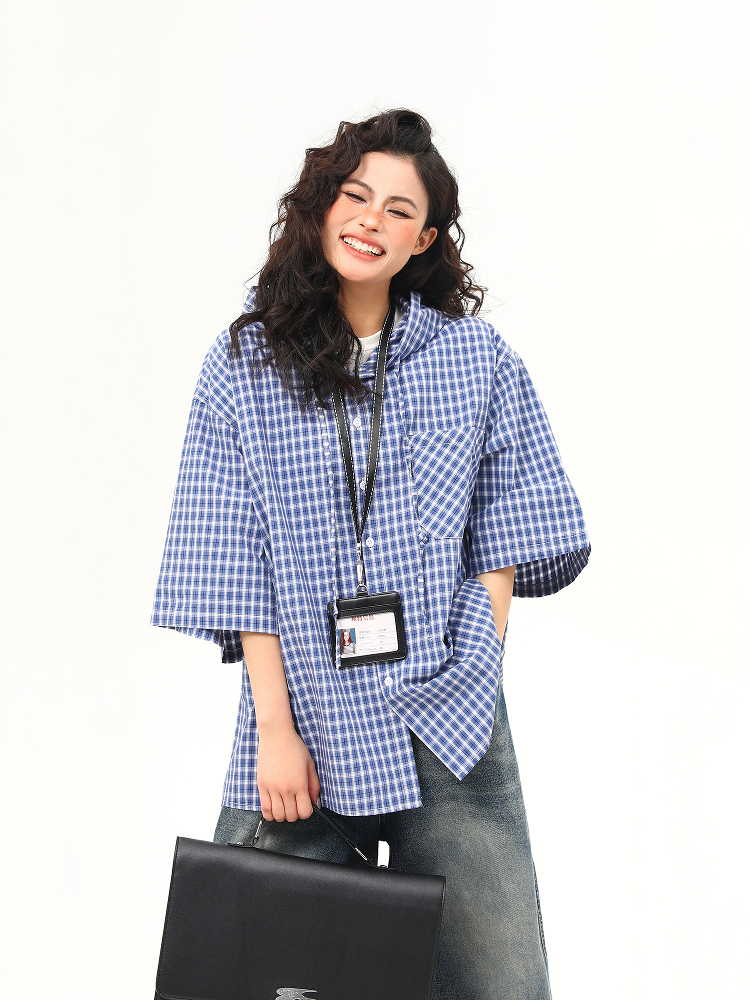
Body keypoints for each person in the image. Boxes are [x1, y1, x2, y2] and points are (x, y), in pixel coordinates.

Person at [151, 109, 590, 999]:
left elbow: (512, 515)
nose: (370, 220)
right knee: (252, 972)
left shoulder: (473, 358)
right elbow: (231, 552)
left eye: (399, 209)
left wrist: (479, 657)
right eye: (355, 196)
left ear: (423, 238)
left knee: (501, 982)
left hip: (448, 708)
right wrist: (276, 730)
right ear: (322, 207)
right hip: (305, 713)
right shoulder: (244, 363)